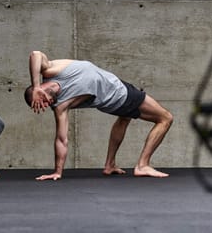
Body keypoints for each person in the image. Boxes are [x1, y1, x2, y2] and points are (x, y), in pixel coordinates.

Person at [24, 51, 173, 181]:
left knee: (125, 118)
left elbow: (35, 54)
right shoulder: (60, 106)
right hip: (121, 96)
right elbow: (62, 140)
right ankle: (143, 165)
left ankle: (110, 165)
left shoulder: (50, 71)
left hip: (116, 86)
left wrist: (36, 86)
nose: (46, 105)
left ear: (37, 91)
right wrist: (57, 171)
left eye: (40, 102)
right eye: (42, 107)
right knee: (165, 118)